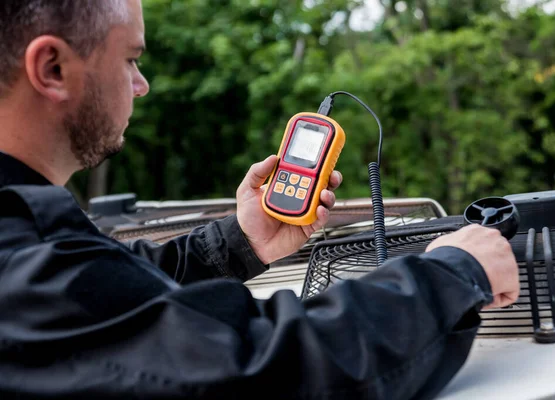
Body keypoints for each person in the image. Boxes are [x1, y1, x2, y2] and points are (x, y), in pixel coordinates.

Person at [0, 1, 520, 399]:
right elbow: (263, 369)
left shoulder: (27, 234)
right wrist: (453, 274)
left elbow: (111, 292)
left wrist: (240, 242)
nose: (143, 85)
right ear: (52, 68)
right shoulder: (23, 266)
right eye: (131, 59)